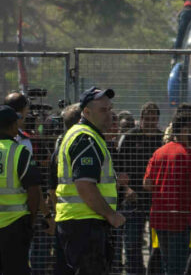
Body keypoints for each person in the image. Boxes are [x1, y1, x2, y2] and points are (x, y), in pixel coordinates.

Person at [55, 87, 126, 274]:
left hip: (80, 222)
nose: (109, 114)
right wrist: (110, 214)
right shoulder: (86, 138)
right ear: (86, 112)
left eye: (110, 109)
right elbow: (85, 185)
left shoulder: (86, 135)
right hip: (84, 223)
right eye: (103, 110)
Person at [143, 104, 191, 275]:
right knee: (177, 266)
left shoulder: (159, 152)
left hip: (159, 217)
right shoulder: (190, 155)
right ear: (185, 129)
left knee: (167, 263)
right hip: (179, 219)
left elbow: (147, 183)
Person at [116, 102, 163, 275]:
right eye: (147, 118)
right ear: (141, 119)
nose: (150, 122)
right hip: (133, 198)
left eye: (153, 119)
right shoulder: (129, 138)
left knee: (156, 243)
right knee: (132, 243)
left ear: (158, 120)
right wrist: (126, 189)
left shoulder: (162, 139)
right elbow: (118, 168)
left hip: (156, 200)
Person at [0, 105, 42, 274]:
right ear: (12, 126)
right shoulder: (19, 152)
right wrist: (30, 221)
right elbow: (33, 191)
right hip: (14, 225)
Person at [48, 103, 82, 275]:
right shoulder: (84, 149)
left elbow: (52, 190)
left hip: (64, 218)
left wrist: (56, 214)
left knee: (64, 266)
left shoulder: (58, 152)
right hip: (83, 220)